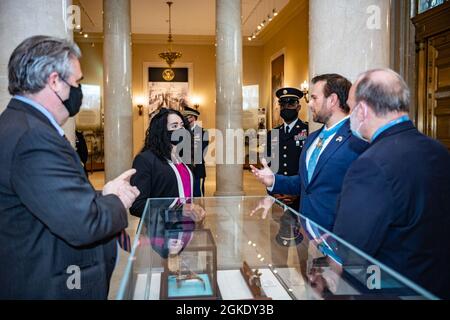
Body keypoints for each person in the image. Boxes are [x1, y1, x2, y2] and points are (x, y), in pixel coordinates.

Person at [0, 35, 140, 299]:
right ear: (54, 81)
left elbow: (55, 201)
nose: (78, 90)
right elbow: (83, 224)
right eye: (76, 82)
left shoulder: (21, 125)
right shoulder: (32, 136)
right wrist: (116, 199)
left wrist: (101, 195)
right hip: (49, 285)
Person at [333, 68, 450, 299]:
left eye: (350, 107)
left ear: (363, 110)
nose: (348, 118)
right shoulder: (439, 150)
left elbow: (350, 251)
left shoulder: (370, 165)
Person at [251, 74, 367, 231]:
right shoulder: (312, 139)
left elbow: (363, 198)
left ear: (332, 100)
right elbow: (306, 183)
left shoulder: (358, 140)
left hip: (336, 236)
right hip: (308, 229)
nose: (310, 104)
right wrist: (274, 181)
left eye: (314, 98)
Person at [130, 108, 195, 218]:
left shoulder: (182, 158)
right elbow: (137, 205)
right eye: (174, 126)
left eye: (182, 125)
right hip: (160, 230)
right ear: (161, 132)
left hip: (185, 228)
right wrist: (177, 210)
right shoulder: (145, 160)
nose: (181, 129)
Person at [265, 87, 309, 210]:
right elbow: (269, 163)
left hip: (299, 196)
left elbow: (310, 166)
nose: (286, 108)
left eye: (290, 104)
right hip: (277, 195)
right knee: (280, 227)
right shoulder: (273, 133)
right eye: (283, 104)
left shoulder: (308, 131)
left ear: (298, 107)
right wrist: (275, 189)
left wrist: (295, 191)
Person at [182, 105, 209, 197]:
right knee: (185, 192)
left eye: (191, 117)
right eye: (186, 117)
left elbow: (201, 150)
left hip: (197, 168)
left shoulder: (203, 132)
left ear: (195, 118)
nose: (189, 120)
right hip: (183, 167)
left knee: (197, 193)